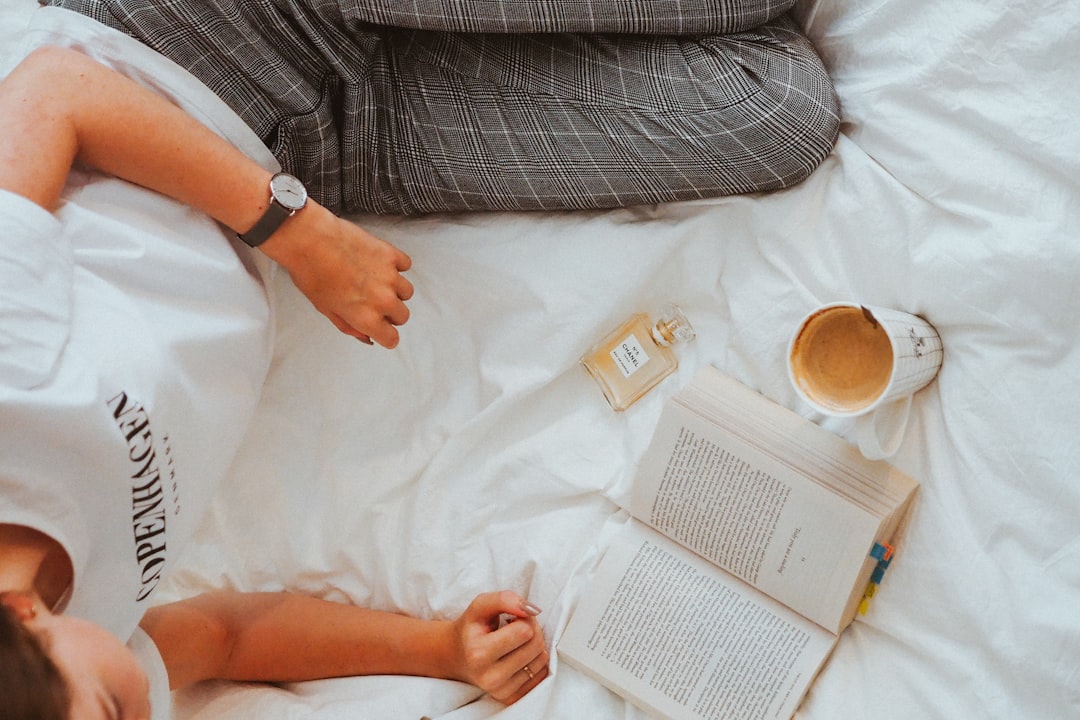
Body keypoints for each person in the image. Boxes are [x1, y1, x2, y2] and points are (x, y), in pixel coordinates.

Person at [0, 42, 548, 720]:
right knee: (722, 114)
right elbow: (225, 639)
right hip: (327, 161)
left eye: (114, 708)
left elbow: (54, 91)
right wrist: (443, 652)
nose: (146, 709)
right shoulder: (85, 637)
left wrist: (298, 234)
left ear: (19, 616)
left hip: (209, 60)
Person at [44, 0, 841, 215]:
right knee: (775, 113)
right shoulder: (111, 601)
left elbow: (55, 91)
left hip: (175, 26)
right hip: (310, 151)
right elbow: (216, 637)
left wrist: (282, 229)